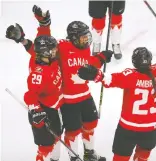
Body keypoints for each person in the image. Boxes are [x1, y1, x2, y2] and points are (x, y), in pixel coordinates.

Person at [77, 44, 156, 161]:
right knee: (142, 158)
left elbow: (109, 80)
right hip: (151, 131)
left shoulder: (130, 76)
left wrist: (95, 74)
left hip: (128, 130)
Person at [23, 5, 113, 161]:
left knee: (91, 122)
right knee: (73, 130)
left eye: (87, 37)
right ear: (73, 37)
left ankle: (89, 153)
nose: (86, 40)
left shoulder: (84, 48)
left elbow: (87, 64)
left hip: (85, 95)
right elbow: (42, 47)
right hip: (68, 100)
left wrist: (100, 58)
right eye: (83, 37)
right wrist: (40, 28)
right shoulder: (61, 46)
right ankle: (74, 156)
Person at [5, 9, 62, 161]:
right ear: (44, 54)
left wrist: (44, 24)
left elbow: (42, 40)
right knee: (45, 146)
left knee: (56, 137)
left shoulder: (46, 56)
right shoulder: (38, 73)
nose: (56, 51)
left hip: (53, 107)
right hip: (42, 112)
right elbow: (29, 95)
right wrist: (36, 111)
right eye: (53, 50)